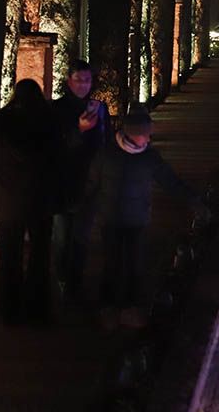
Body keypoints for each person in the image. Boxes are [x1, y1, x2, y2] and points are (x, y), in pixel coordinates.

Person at [86, 106, 205, 330]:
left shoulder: (148, 157)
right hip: (111, 220)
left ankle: (130, 308)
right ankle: (108, 307)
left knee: (134, 264)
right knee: (112, 264)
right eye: (146, 134)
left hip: (136, 220)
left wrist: (193, 199)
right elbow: (91, 185)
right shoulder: (107, 155)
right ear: (134, 134)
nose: (149, 138)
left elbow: (171, 181)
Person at [0, 79, 59, 326]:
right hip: (40, 197)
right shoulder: (48, 120)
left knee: (9, 254)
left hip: (10, 197)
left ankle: (9, 308)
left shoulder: (3, 120)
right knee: (40, 253)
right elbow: (58, 158)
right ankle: (37, 307)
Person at [51, 59, 110, 309]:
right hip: (63, 181)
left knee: (82, 236)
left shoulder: (100, 107)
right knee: (63, 236)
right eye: (79, 80)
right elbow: (53, 146)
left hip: (90, 181)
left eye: (87, 80)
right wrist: (79, 130)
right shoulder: (56, 109)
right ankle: (63, 279)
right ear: (68, 81)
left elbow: (105, 140)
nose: (84, 85)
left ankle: (75, 282)